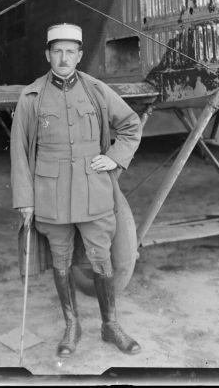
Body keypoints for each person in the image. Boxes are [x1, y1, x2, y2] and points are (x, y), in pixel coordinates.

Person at [10, 23, 142, 357]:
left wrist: (114, 158)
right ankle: (72, 326)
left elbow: (131, 125)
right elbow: (19, 152)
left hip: (93, 192)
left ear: (80, 55)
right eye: (57, 51)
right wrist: (25, 199)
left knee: (101, 258)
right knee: (61, 260)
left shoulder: (96, 91)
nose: (64, 58)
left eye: (70, 51)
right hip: (50, 196)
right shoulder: (31, 97)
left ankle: (110, 325)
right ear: (47, 55)